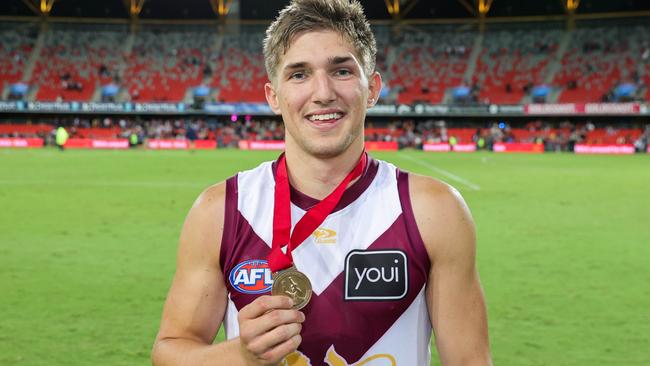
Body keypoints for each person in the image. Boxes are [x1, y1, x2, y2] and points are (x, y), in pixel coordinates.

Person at [152, 0, 491, 365]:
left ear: (372, 88)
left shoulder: (434, 210)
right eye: (299, 74)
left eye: (342, 71)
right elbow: (170, 350)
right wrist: (241, 355)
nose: (323, 93)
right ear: (273, 97)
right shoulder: (221, 210)